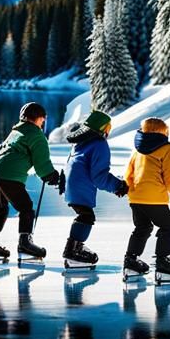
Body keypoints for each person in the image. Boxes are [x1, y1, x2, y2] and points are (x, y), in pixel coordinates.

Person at [0, 101, 65, 262]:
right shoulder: (36, 135)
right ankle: (24, 243)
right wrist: (53, 177)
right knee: (26, 208)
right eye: (43, 120)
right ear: (38, 119)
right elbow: (42, 165)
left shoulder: (16, 131)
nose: (43, 123)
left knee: (1, 209)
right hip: (9, 176)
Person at [123, 117, 170, 280]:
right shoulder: (167, 149)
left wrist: (131, 192)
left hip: (136, 198)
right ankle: (163, 263)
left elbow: (127, 175)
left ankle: (130, 261)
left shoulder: (136, 150)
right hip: (154, 199)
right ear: (163, 132)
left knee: (142, 228)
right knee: (168, 228)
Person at [62, 109, 127, 267]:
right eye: (108, 128)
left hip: (71, 185)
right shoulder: (99, 144)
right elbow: (99, 177)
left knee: (84, 215)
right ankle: (72, 252)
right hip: (80, 186)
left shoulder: (81, 142)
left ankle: (74, 248)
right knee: (86, 217)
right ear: (102, 128)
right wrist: (118, 186)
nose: (108, 132)